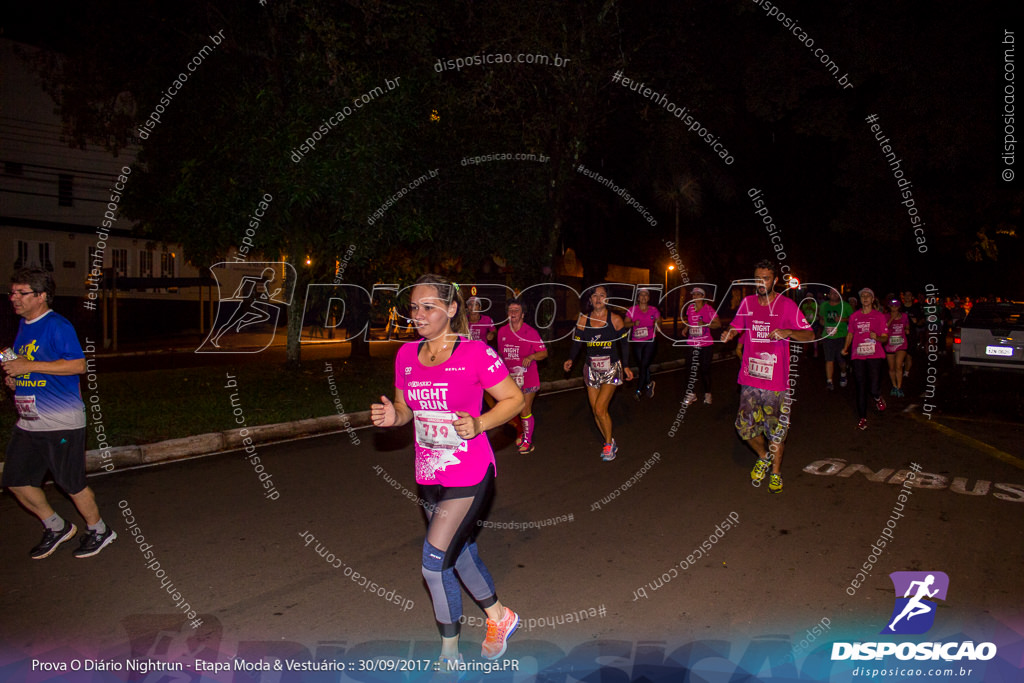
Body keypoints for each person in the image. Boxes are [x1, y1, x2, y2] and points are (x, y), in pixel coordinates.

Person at [370, 274, 524, 666]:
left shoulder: (474, 353)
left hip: (470, 470)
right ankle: (500, 617)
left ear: (451, 309)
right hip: (428, 474)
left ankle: (449, 654)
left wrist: (480, 423)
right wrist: (395, 416)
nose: (417, 315)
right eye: (414, 308)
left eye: (428, 307)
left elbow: (514, 399)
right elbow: (407, 408)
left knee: (434, 564)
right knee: (462, 554)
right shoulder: (406, 355)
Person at [2, 268, 117, 559]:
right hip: (29, 421)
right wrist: (17, 378)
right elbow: (30, 365)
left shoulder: (57, 325)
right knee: (15, 479)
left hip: (61, 421)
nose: (13, 298)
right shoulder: (24, 325)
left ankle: (99, 529)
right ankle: (56, 527)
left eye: (21, 293)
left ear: (41, 296)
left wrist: (27, 366)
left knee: (71, 484)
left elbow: (78, 366)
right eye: (12, 292)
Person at [720, 260, 813, 494]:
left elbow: (810, 334)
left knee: (776, 431)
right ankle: (763, 456)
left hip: (775, 383)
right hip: (750, 379)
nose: (761, 283)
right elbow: (736, 326)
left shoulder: (786, 305)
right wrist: (729, 334)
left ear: (774, 281)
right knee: (744, 428)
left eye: (766, 278)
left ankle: (776, 473)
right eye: (757, 278)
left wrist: (789, 331)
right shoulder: (747, 303)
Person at [563, 285, 634, 461]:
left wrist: (625, 366)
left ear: (607, 300)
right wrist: (571, 359)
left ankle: (608, 444)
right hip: (591, 368)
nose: (598, 298)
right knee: (596, 410)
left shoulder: (615, 319)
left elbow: (624, 344)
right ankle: (610, 440)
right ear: (590, 300)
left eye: (602, 295)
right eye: (595, 296)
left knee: (601, 408)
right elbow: (577, 343)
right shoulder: (583, 320)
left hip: (611, 368)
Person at [496, 298, 548, 454]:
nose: (513, 313)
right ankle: (521, 432)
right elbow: (500, 354)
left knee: (525, 409)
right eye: (510, 310)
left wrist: (531, 357)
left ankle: (527, 441)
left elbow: (544, 353)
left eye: (516, 310)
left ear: (523, 314)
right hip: (510, 379)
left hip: (528, 377)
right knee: (512, 410)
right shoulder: (502, 332)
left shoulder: (530, 332)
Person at [842, 288, 889, 430]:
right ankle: (862, 417)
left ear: (873, 299)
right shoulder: (854, 316)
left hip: (875, 355)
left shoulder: (879, 316)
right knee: (860, 386)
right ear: (860, 299)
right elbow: (850, 334)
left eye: (868, 295)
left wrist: (877, 337)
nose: (865, 298)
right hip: (858, 355)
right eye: (863, 296)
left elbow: (885, 338)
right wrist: (845, 348)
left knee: (873, 387)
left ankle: (877, 397)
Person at [680, 286, 720, 405]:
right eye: (693, 295)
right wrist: (686, 328)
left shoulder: (709, 309)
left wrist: (706, 324)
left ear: (703, 296)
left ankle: (708, 394)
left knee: (705, 369)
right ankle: (691, 394)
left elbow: (717, 324)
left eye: (698, 294)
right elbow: (690, 321)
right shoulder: (690, 308)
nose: (695, 297)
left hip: (706, 344)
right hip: (692, 343)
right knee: (690, 369)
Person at [625, 287, 660, 399]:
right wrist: (634, 323)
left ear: (648, 298)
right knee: (642, 365)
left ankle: (638, 390)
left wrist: (657, 323)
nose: (643, 297)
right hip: (637, 342)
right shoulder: (632, 310)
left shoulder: (653, 310)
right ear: (638, 298)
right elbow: (625, 324)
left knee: (644, 365)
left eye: (646, 295)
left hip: (650, 340)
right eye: (641, 295)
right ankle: (649, 383)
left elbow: (660, 322)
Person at [819, 289, 852, 390]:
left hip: (841, 336)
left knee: (840, 359)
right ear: (828, 295)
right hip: (828, 336)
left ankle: (843, 373)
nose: (834, 295)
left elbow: (853, 319)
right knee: (829, 359)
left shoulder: (845, 306)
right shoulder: (824, 305)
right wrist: (822, 323)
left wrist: (843, 319)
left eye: (836, 293)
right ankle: (829, 381)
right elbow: (821, 318)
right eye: (832, 293)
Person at [884, 297, 910, 398]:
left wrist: (907, 329)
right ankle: (894, 386)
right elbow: (884, 328)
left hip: (901, 344)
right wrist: (891, 318)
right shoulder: (885, 316)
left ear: (899, 307)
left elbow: (907, 326)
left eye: (896, 306)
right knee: (891, 367)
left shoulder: (904, 316)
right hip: (890, 344)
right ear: (889, 307)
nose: (894, 308)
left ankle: (899, 387)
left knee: (898, 365)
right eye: (892, 306)